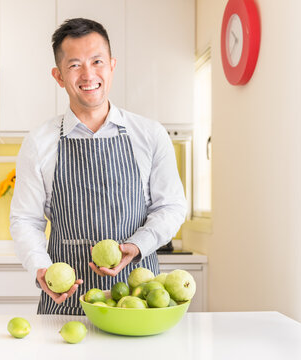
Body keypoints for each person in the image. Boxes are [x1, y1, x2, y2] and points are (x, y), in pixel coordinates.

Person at [10, 18, 187, 315]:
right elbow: (25, 220)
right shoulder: (39, 143)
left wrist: (137, 244)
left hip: (139, 300)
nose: (88, 74)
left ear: (112, 65)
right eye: (75, 65)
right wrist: (41, 268)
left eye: (97, 61)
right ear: (58, 76)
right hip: (67, 304)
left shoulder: (149, 134)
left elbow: (171, 206)